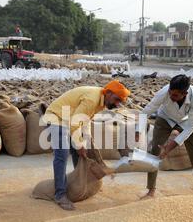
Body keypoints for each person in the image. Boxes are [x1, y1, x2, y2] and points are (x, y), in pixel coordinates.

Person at [45, 81, 131, 211]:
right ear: (108, 93)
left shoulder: (101, 101)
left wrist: (86, 141)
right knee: (62, 154)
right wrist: (80, 145)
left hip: (69, 119)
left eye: (120, 102)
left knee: (79, 151)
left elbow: (85, 122)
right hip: (57, 117)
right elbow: (75, 124)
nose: (116, 104)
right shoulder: (92, 99)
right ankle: (60, 195)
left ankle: (79, 182)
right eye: (116, 99)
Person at [137, 74, 193, 199]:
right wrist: (138, 130)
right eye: (170, 93)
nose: (171, 97)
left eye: (175, 95)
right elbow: (147, 110)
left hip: (186, 122)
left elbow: (192, 124)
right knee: (154, 152)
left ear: (185, 93)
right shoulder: (164, 92)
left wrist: (172, 145)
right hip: (165, 118)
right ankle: (151, 190)